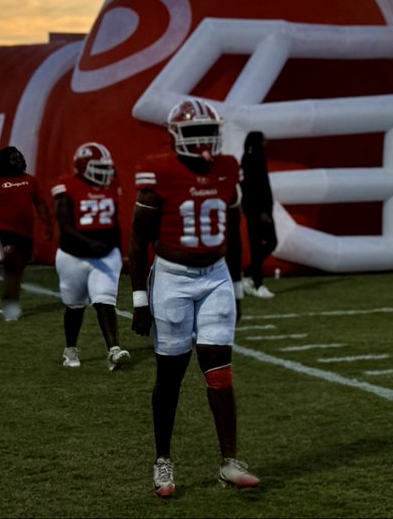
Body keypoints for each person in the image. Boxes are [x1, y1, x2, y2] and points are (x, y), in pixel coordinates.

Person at [129, 98, 258, 497]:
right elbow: (139, 239)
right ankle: (162, 461)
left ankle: (229, 462)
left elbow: (234, 233)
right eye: (195, 134)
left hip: (216, 275)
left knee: (220, 371)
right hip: (173, 277)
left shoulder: (227, 167)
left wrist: (236, 286)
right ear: (175, 136)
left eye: (209, 134)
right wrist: (138, 298)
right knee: (170, 374)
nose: (204, 144)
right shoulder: (159, 169)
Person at [50, 142, 131, 371]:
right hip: (73, 256)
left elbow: (114, 222)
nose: (105, 172)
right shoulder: (66, 186)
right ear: (83, 166)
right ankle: (71, 349)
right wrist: (89, 244)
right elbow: (65, 226)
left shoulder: (111, 185)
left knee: (104, 301)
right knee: (74, 306)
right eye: (98, 166)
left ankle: (114, 351)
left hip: (105, 256)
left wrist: (116, 249)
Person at [0, 145, 51, 322]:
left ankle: (6, 300)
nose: (17, 161)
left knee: (17, 269)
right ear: (3, 163)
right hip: (1, 231)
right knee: (13, 261)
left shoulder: (30, 181)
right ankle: (11, 305)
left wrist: (48, 224)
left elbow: (40, 204)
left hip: (25, 233)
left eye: (19, 158)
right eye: (13, 159)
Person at [240, 132, 278, 299]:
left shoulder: (256, 157)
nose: (266, 142)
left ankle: (249, 273)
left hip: (260, 209)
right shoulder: (251, 159)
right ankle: (257, 283)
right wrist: (261, 211)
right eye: (263, 139)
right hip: (256, 210)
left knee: (270, 242)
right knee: (258, 245)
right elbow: (253, 187)